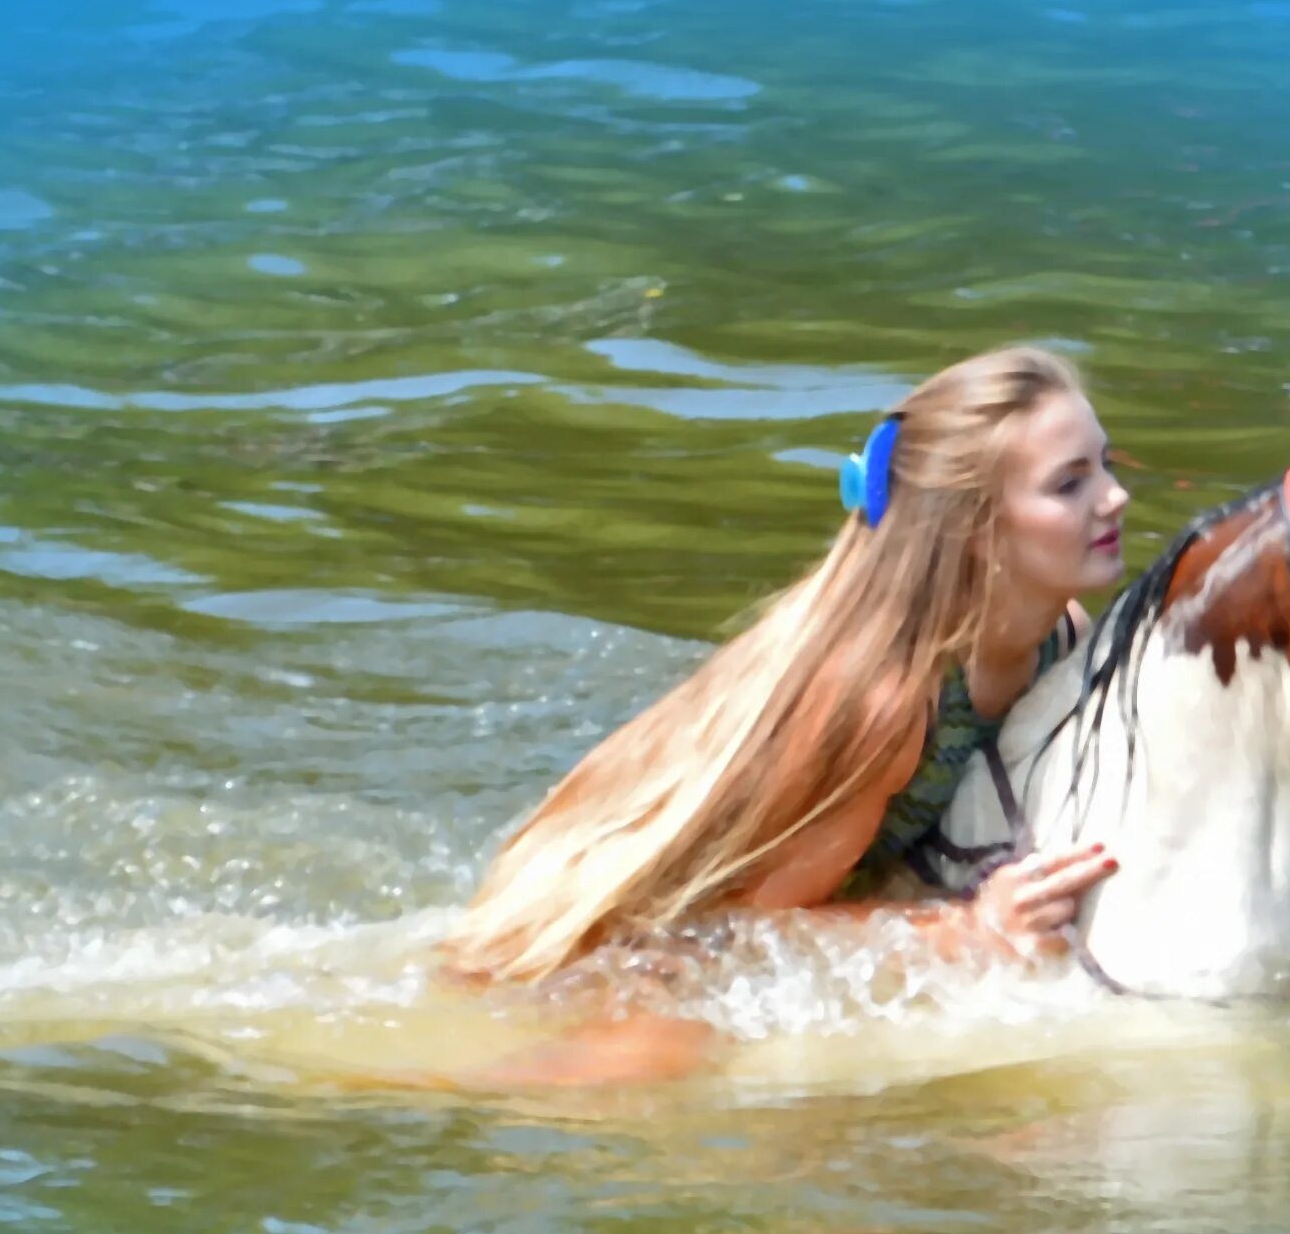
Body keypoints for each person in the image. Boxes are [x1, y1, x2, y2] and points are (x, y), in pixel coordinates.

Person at [443, 344, 1129, 986]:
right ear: (973, 529)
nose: (1113, 497)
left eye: (1106, 465)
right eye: (1069, 484)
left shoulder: (1062, 637)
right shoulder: (886, 705)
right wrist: (967, 928)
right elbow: (748, 928)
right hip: (628, 944)